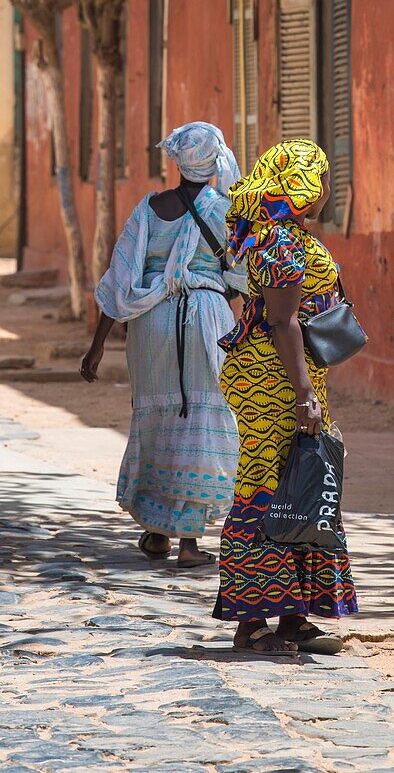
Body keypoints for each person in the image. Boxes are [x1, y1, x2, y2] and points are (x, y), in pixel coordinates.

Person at [214, 139, 358, 654]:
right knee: (271, 484)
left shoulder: (280, 232)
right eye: (318, 178)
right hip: (273, 378)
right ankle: (252, 620)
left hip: (288, 373)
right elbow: (282, 320)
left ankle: (293, 616)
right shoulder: (280, 239)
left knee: (298, 481)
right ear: (303, 185)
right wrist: (302, 393)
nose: (323, 190)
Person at [80, 122, 246, 569]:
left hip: (151, 323)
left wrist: (98, 345)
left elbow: (121, 278)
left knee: (157, 416)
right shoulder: (225, 211)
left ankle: (156, 533)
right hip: (206, 319)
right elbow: (240, 275)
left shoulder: (149, 208)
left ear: (177, 160)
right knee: (201, 418)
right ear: (213, 163)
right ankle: (189, 543)